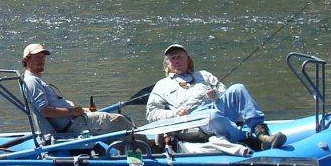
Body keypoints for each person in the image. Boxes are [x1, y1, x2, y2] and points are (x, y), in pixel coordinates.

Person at [145, 43, 283, 149]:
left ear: (188, 59)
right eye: (172, 58)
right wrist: (174, 113)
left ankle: (261, 133)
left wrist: (216, 96)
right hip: (194, 121)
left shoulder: (204, 75)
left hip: (217, 107)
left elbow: (225, 92)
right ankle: (248, 138)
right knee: (212, 115)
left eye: (180, 57)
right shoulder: (162, 85)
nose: (176, 60)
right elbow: (151, 113)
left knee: (238, 88)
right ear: (167, 64)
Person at [20, 43, 131, 142]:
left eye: (43, 57)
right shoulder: (32, 81)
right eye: (37, 57)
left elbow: (54, 104)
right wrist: (72, 111)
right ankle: (141, 152)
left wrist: (80, 109)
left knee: (125, 119)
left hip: (74, 120)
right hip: (73, 125)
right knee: (120, 120)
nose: (41, 60)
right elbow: (45, 111)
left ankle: (122, 149)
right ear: (27, 59)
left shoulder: (35, 79)